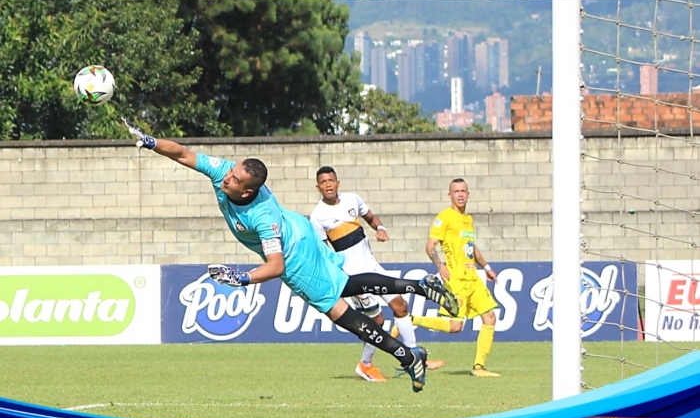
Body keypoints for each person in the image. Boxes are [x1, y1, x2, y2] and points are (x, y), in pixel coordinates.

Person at [124, 120, 460, 392]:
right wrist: (151, 142)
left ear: (247, 191)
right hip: (299, 229)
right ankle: (420, 287)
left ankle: (406, 356)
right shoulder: (223, 172)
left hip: (295, 254)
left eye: (235, 178)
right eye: (231, 171)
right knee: (346, 285)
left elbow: (276, 266)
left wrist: (242, 278)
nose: (226, 176)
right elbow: (183, 153)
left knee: (342, 314)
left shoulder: (261, 216)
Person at [309, 166, 444, 383]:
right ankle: (366, 365)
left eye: (331, 180)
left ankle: (415, 356)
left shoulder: (352, 200)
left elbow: (371, 217)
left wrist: (380, 228)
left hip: (373, 268)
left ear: (338, 183)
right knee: (377, 321)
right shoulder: (317, 217)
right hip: (354, 278)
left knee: (400, 306)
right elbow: (325, 255)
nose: (328, 185)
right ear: (318, 187)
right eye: (323, 182)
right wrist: (345, 283)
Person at [391, 178, 500, 377]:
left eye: (463, 191)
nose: (460, 194)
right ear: (449, 195)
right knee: (455, 327)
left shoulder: (468, 220)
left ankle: (479, 367)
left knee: (490, 317)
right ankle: (411, 320)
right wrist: (439, 265)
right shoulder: (444, 217)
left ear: (468, 194)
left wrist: (486, 267)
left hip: (473, 278)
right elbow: (430, 245)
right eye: (456, 191)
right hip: (456, 280)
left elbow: (471, 248)